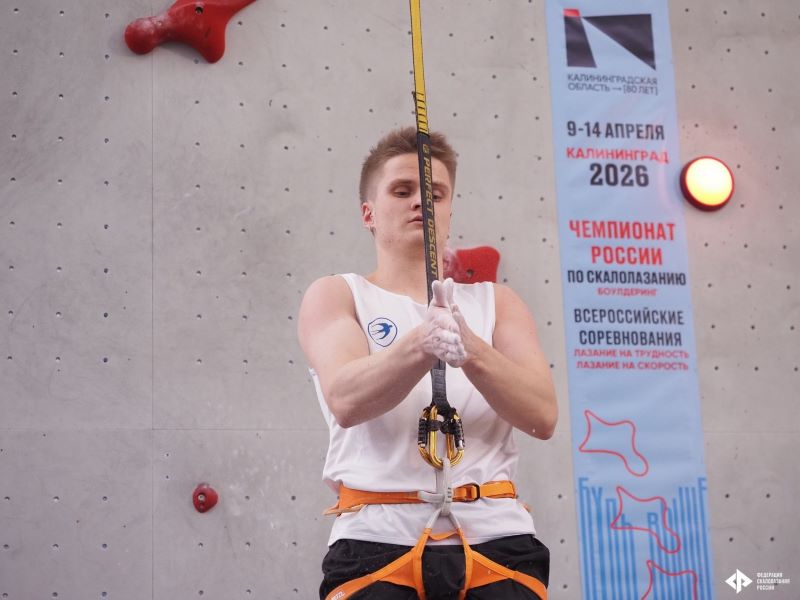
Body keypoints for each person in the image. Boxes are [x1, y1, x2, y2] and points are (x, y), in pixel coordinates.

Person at [297, 127, 558, 599]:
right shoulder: (338, 294)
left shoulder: (497, 303)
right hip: (378, 539)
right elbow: (346, 399)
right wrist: (421, 343)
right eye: (402, 191)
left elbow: (542, 416)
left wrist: (471, 350)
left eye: (435, 193)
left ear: (450, 211)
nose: (420, 201)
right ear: (368, 213)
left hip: (496, 539)